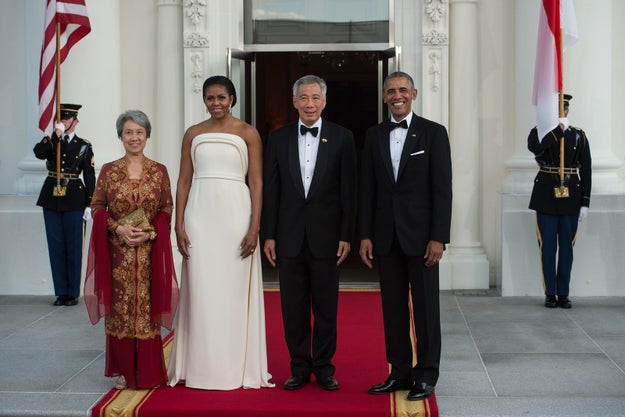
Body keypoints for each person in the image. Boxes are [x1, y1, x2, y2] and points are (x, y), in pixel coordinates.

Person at [167, 76, 273, 390]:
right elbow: (184, 181)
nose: (216, 104)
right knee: (201, 290)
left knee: (233, 291)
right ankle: (200, 367)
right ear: (204, 100)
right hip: (199, 216)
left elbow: (256, 182)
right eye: (210, 98)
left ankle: (234, 367)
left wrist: (254, 226)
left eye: (222, 98)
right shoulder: (193, 134)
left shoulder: (248, 133)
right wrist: (178, 224)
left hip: (235, 217)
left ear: (232, 99)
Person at [359, 71, 452, 401]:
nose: (396, 95)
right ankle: (399, 372)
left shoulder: (433, 133)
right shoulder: (374, 135)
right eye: (390, 91)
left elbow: (442, 190)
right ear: (384, 97)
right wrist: (366, 235)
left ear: (413, 93)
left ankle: (426, 374)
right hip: (385, 237)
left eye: (402, 90)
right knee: (392, 308)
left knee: (426, 309)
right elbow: (367, 188)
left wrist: (439, 237)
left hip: (423, 239)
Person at [263, 74, 357, 391]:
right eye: (303, 97)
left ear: (325, 101)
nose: (309, 104)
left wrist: (346, 235)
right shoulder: (277, 138)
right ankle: (299, 368)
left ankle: (324, 368)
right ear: (294, 102)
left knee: (326, 308)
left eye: (315, 97)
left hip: (327, 238)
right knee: (294, 308)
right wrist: (270, 235)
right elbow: (272, 191)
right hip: (288, 237)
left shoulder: (343, 138)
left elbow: (349, 191)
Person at [84, 110, 178, 390]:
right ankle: (125, 371)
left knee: (146, 309)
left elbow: (166, 208)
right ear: (120, 137)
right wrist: (119, 229)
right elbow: (97, 208)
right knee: (123, 310)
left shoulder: (159, 171)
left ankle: (149, 372)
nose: (134, 137)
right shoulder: (109, 171)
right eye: (128, 133)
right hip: (117, 254)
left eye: (139, 132)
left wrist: (150, 232)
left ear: (147, 135)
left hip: (149, 253)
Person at [528, 94, 592, 309]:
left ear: (567, 110)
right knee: (547, 248)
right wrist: (557, 131)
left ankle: (563, 292)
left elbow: (587, 170)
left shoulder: (579, 136)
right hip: (546, 195)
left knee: (567, 247)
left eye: (563, 109)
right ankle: (550, 293)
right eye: (555, 109)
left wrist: (585, 202)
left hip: (571, 196)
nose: (560, 113)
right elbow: (537, 149)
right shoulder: (539, 133)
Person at [33, 103, 95, 306]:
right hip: (51, 197)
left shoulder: (84, 145)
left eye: (67, 119)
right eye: (60, 119)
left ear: (75, 122)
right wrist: (54, 136)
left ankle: (73, 293)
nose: (62, 122)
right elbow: (39, 153)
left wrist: (89, 203)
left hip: (74, 198)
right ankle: (61, 292)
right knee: (56, 246)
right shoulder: (51, 142)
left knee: (74, 246)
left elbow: (89, 176)